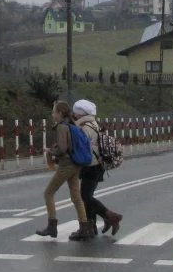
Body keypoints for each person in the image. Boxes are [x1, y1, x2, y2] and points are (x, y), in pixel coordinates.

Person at [35, 100, 91, 241]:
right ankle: (84, 227)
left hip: (66, 165)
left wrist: (50, 151)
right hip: (76, 164)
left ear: (59, 114)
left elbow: (61, 149)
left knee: (49, 193)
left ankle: (52, 226)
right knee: (76, 197)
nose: (52, 114)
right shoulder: (72, 125)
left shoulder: (62, 127)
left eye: (54, 111)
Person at [72, 100, 123, 238]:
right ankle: (91, 227)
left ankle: (111, 217)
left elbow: (81, 146)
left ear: (80, 113)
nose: (74, 113)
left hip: (91, 165)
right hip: (97, 164)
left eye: (75, 111)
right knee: (87, 197)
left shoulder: (84, 127)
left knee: (85, 196)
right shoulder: (93, 123)